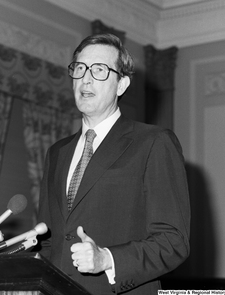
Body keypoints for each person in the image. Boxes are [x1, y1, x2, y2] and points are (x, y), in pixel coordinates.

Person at [37, 33, 190, 295]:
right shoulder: (57, 152)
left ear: (121, 85)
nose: (85, 79)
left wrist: (107, 259)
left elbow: (173, 242)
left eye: (99, 70)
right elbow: (49, 242)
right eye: (80, 68)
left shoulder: (153, 142)